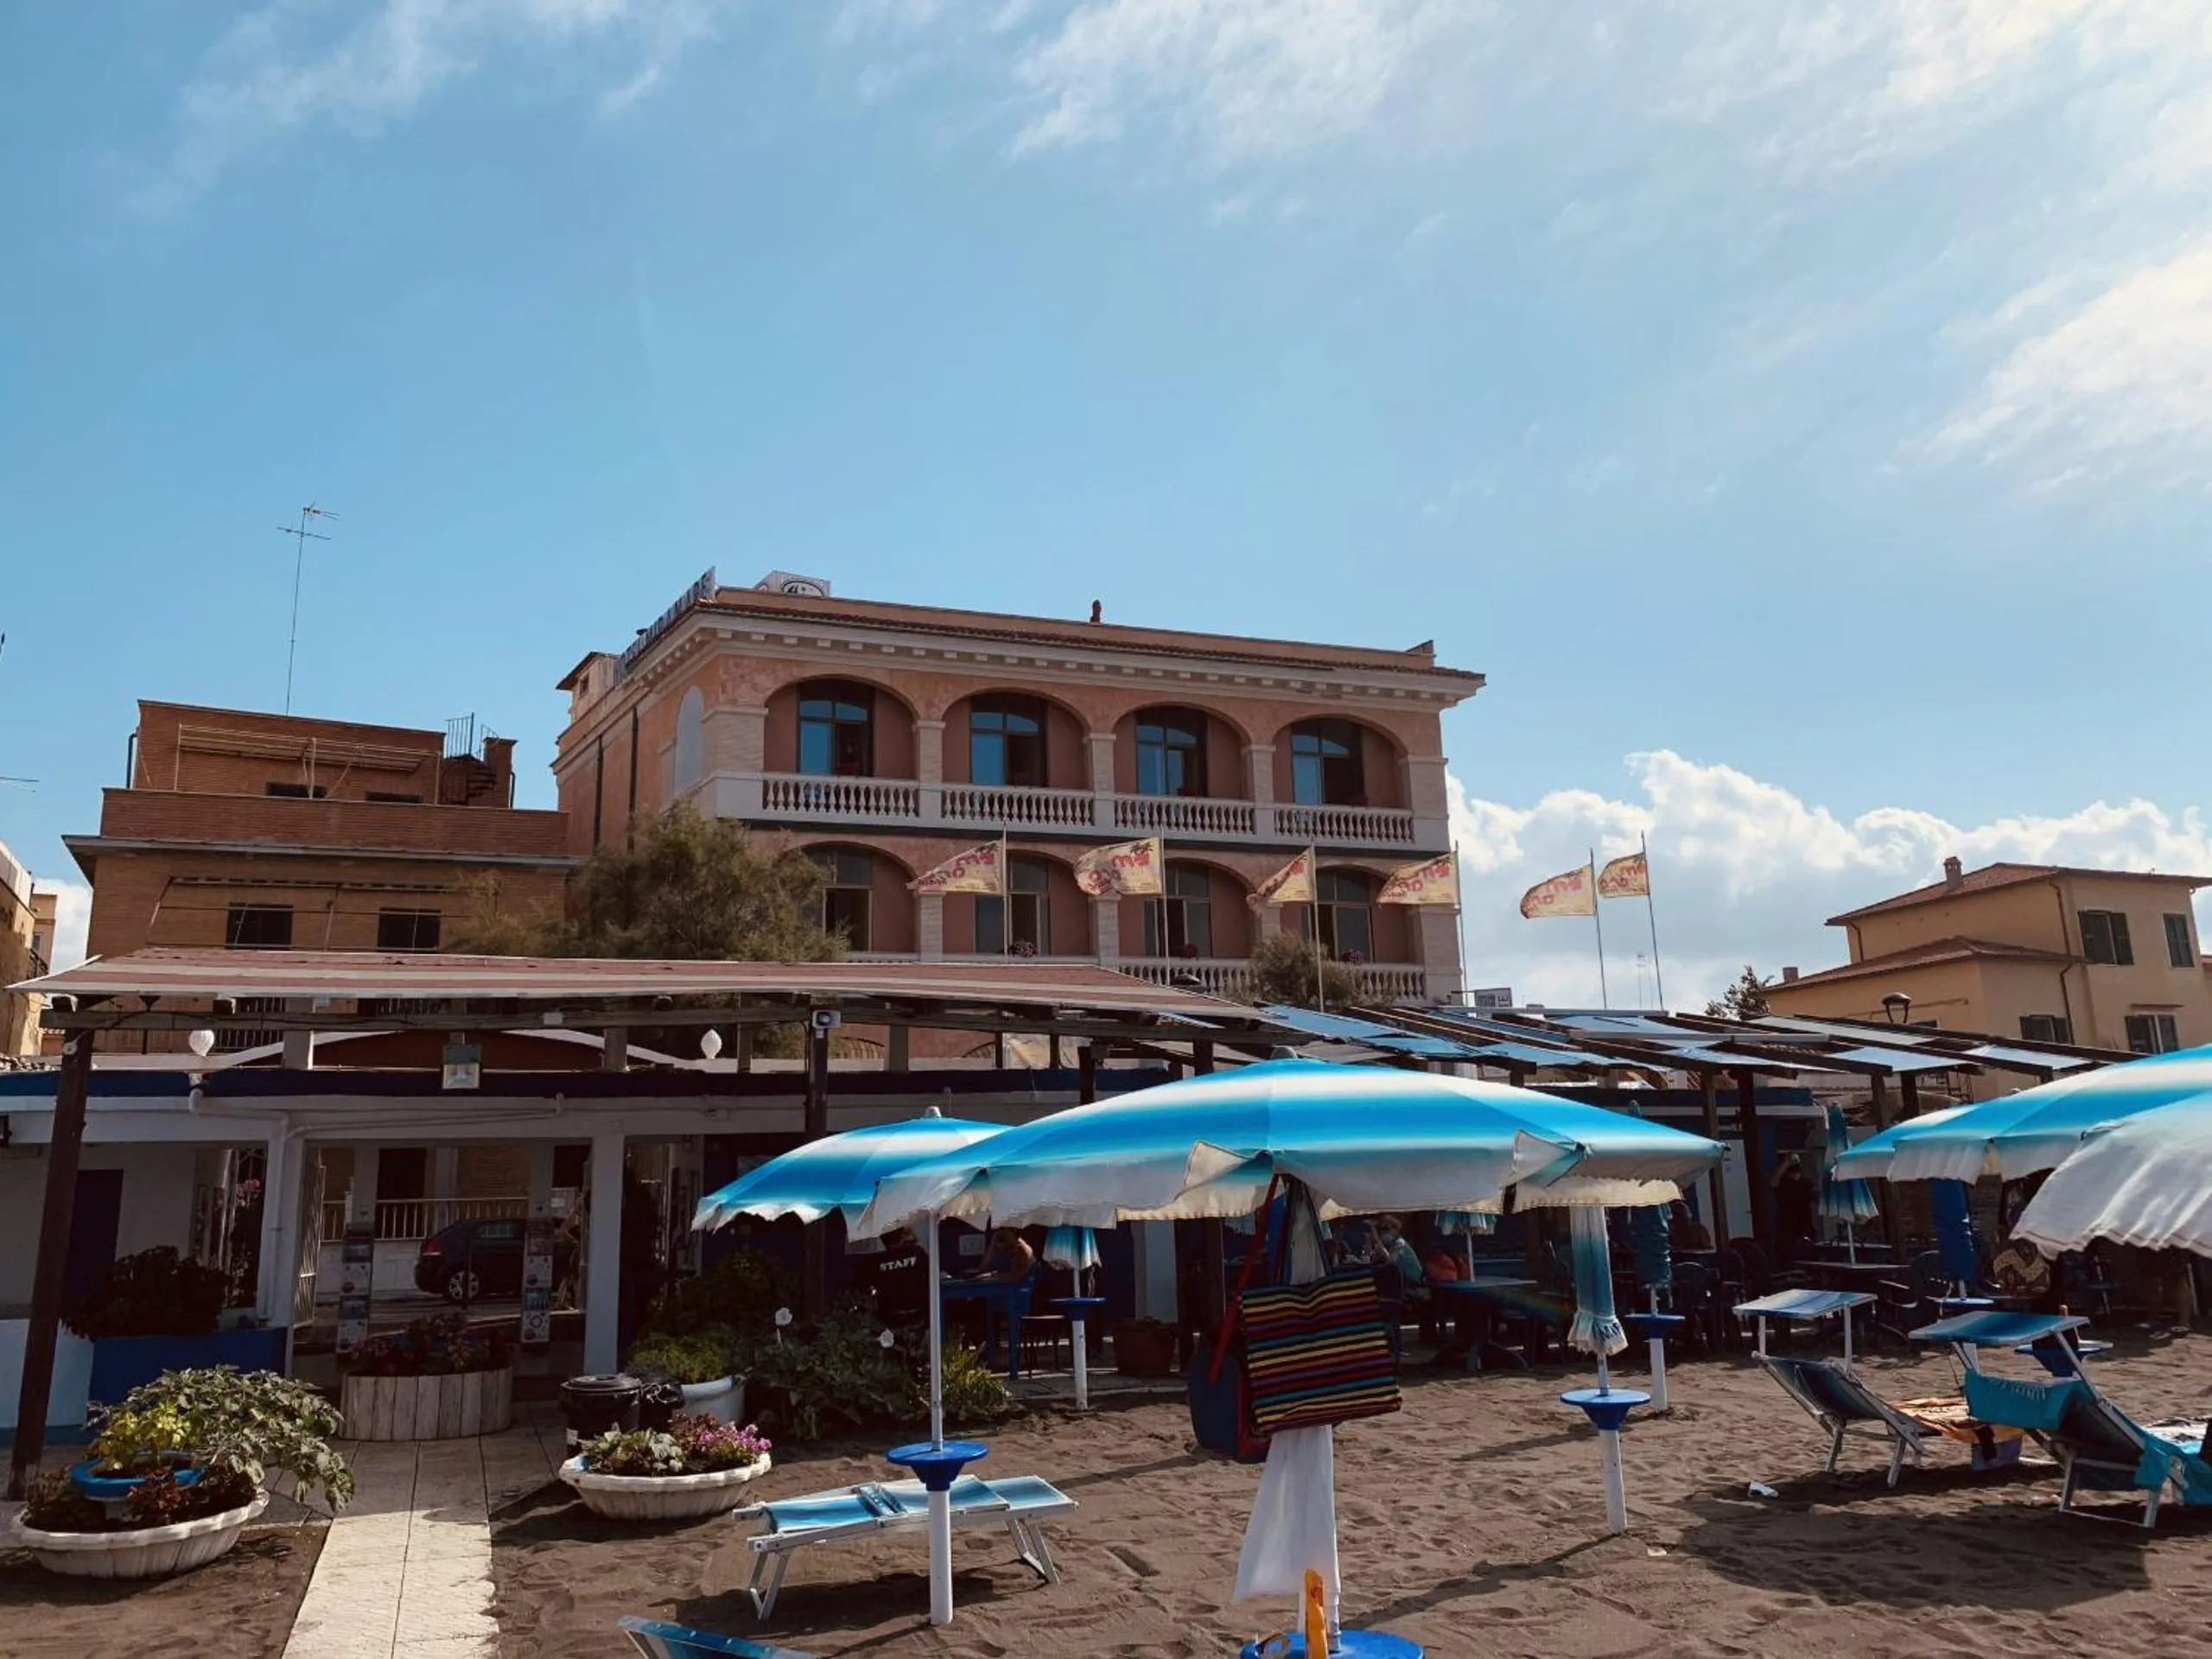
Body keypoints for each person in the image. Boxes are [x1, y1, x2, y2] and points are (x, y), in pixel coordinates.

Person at [855, 1226, 931, 1329]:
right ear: (902, 1236)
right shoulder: (917, 1253)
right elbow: (932, 1276)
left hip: (891, 1318)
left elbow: (861, 1284)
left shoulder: (876, 1261)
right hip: (920, 1313)